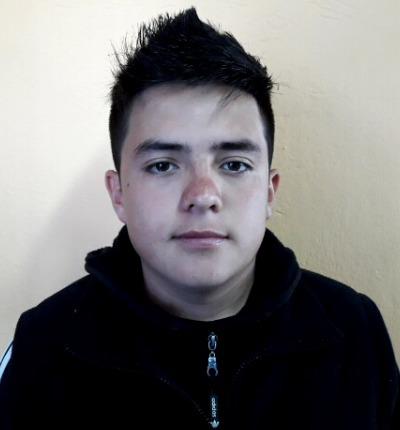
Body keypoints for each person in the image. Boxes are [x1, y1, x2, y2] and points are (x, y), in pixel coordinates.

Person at [0, 7, 398, 429]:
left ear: (269, 191)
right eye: (163, 166)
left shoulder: (355, 330)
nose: (203, 196)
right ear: (118, 194)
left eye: (234, 164)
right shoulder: (44, 344)